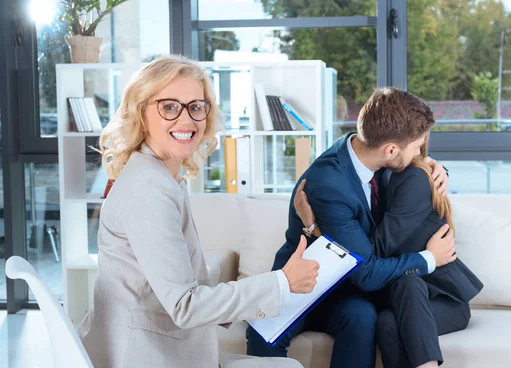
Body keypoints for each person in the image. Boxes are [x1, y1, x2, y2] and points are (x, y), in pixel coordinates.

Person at [77, 55, 317, 368]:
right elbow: (185, 305)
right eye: (169, 106)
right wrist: (281, 282)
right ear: (140, 114)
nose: (186, 119)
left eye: (196, 106)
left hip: (163, 349)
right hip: (146, 357)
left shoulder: (159, 176)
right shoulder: (149, 189)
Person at [247, 87, 457, 368]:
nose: (420, 151)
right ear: (391, 150)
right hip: (303, 285)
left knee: (362, 316)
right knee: (264, 333)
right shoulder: (329, 185)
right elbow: (367, 272)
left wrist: (433, 166)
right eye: (417, 146)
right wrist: (430, 258)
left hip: (347, 290)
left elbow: (409, 167)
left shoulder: (371, 154)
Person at [294, 135, 484, 367]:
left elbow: (374, 252)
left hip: (441, 299)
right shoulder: (385, 170)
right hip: (401, 298)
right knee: (387, 322)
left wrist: (319, 231)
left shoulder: (413, 178)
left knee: (408, 283)